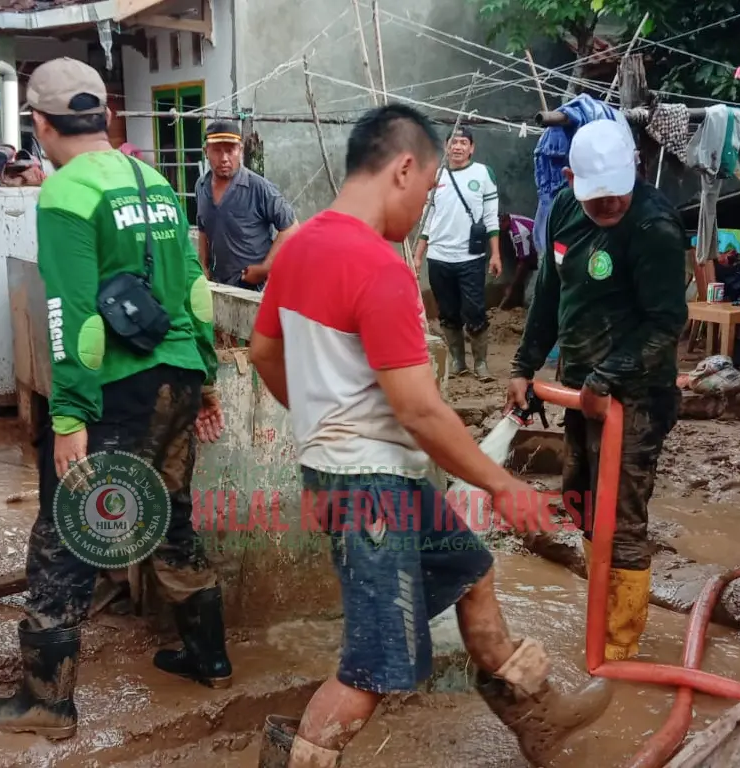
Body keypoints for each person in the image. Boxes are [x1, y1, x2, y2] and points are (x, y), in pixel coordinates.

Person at [250, 104, 612, 768]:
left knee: (471, 571)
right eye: (425, 193)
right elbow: (421, 411)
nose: (422, 209)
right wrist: (503, 485)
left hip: (352, 473)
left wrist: (320, 424)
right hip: (371, 484)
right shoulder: (378, 265)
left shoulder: (297, 247)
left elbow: (264, 353)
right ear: (404, 168)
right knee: (375, 666)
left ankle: (538, 716)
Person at [0, 57, 232, 740]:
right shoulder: (153, 179)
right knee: (172, 515)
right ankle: (209, 657)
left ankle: (46, 702)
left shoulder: (65, 193)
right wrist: (203, 381)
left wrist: (67, 419)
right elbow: (195, 292)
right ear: (106, 116)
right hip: (177, 376)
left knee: (67, 531)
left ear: (39, 122)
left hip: (116, 389)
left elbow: (73, 317)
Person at [507, 118, 687, 663]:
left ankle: (619, 647)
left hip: (634, 395)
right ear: (570, 178)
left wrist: (610, 377)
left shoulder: (654, 227)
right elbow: (549, 294)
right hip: (579, 388)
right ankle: (597, 612)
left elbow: (665, 321)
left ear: (633, 170)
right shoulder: (564, 208)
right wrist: (524, 365)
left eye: (617, 197)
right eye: (598, 199)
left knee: (622, 516)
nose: (610, 207)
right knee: (582, 503)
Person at [413, 125, 502, 381]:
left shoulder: (484, 174)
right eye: (453, 142)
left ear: (472, 148)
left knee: (474, 310)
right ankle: (458, 361)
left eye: (464, 142)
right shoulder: (436, 176)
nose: (458, 147)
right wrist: (419, 255)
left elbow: (491, 219)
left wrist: (495, 254)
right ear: (446, 146)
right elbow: (428, 221)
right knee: (448, 312)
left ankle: (481, 364)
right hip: (439, 257)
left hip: (470, 259)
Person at [195, 120, 300, 290]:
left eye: (230, 151)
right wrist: (204, 265)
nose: (224, 158)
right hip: (219, 284)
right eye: (216, 151)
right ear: (205, 152)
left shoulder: (258, 187)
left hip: (254, 289)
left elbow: (291, 228)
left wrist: (265, 268)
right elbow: (202, 229)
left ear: (240, 151)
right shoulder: (201, 186)